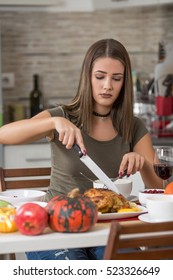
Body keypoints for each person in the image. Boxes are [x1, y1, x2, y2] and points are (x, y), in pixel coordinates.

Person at [0, 38, 162, 260]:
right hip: (58, 225)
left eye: (116, 78)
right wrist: (52, 123)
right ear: (87, 77)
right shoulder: (63, 116)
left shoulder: (133, 126)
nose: (107, 85)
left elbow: (159, 189)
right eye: (100, 77)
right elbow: (4, 135)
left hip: (107, 227)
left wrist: (142, 163)